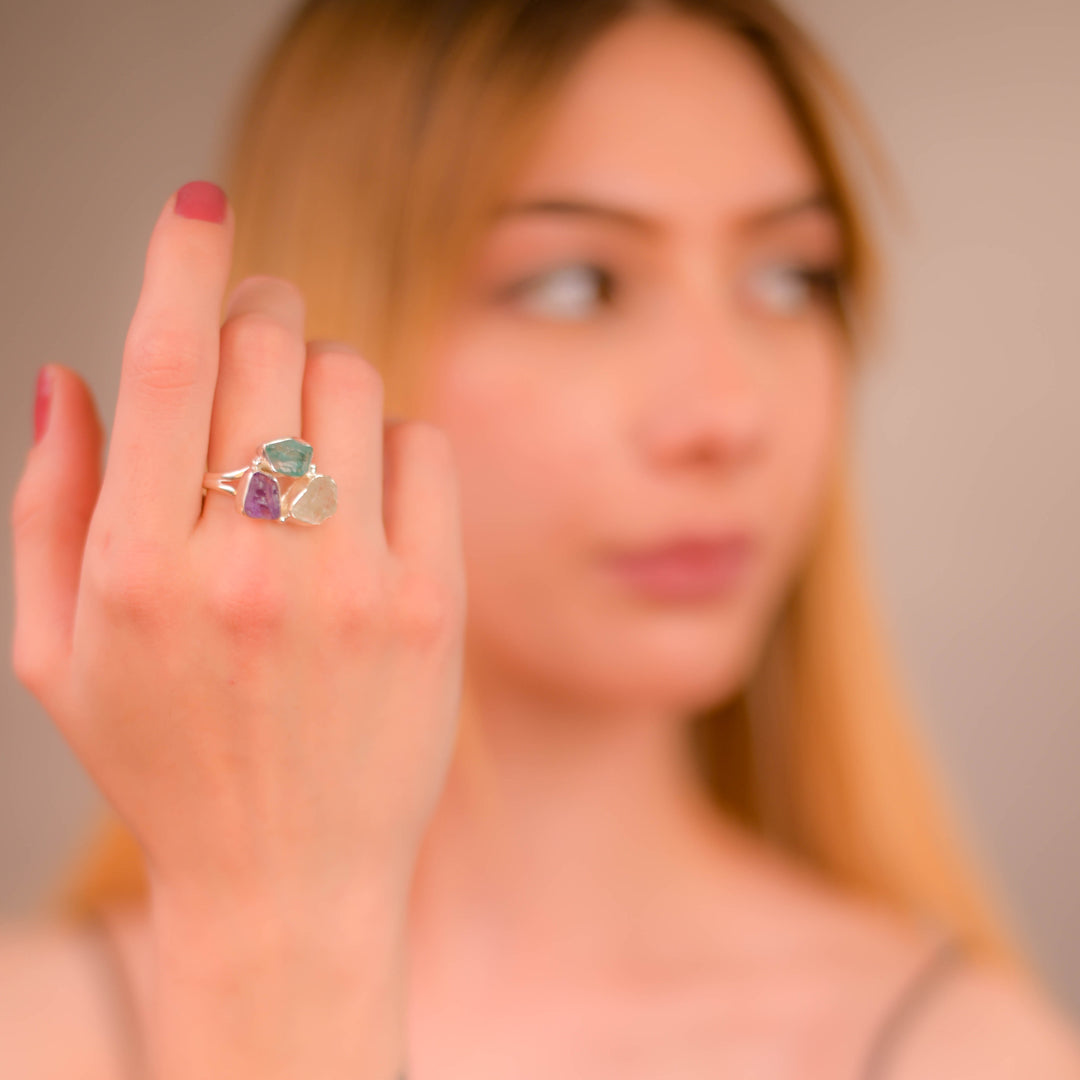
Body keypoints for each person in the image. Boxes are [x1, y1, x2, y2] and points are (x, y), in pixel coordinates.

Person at [4, 0, 1080, 1077]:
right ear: (342, 325)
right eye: (577, 284)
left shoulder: (965, 1052)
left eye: (790, 277)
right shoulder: (39, 1027)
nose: (725, 413)